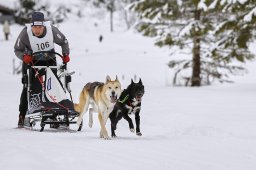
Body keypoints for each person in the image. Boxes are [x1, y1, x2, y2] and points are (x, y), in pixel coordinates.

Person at [14, 11, 71, 128]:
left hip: (50, 61)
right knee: (29, 87)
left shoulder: (52, 30)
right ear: (32, 26)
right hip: (31, 62)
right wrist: (24, 57)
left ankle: (53, 114)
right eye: (35, 27)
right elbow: (17, 49)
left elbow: (64, 42)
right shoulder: (25, 33)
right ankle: (22, 114)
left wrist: (65, 54)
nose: (37, 30)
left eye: (39, 27)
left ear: (43, 25)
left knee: (54, 86)